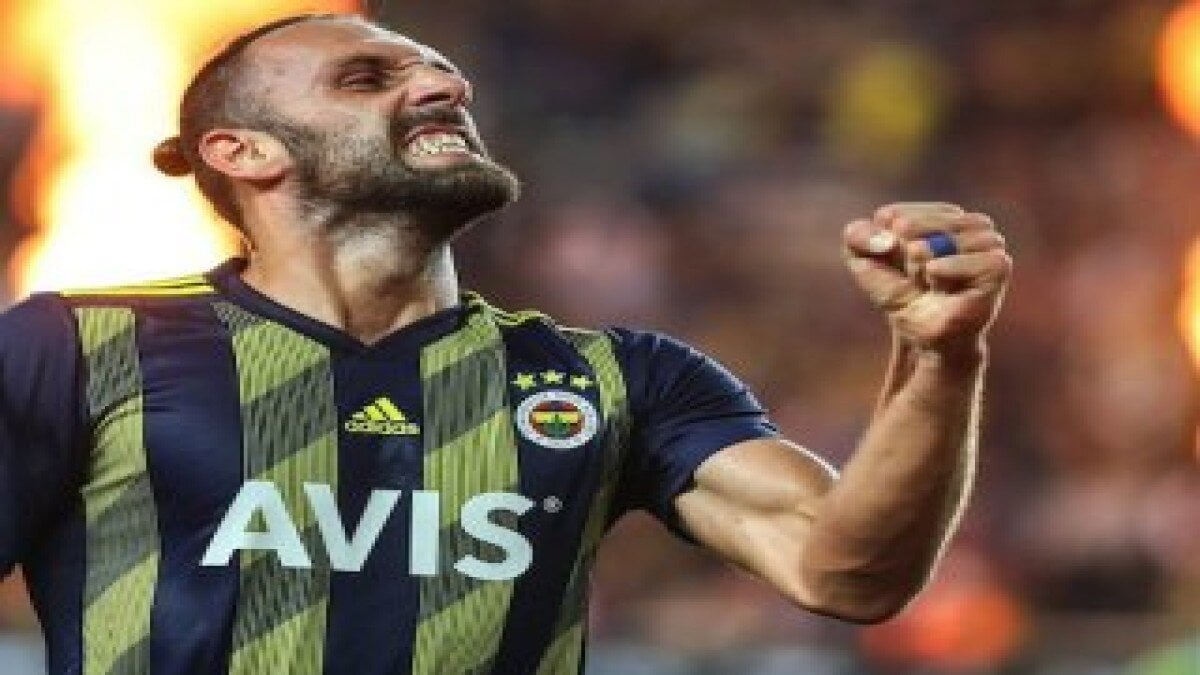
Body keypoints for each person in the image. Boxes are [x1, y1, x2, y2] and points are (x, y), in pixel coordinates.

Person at [0, 13, 1011, 675]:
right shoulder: (78, 346)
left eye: (443, 73)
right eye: (366, 77)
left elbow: (848, 574)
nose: (444, 87)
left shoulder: (618, 379)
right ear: (243, 150)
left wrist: (939, 358)